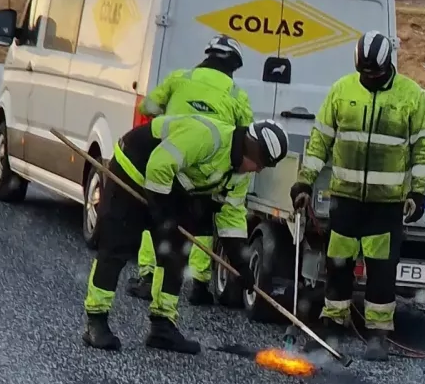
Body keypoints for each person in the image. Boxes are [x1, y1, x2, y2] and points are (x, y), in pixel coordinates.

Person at [82, 115, 288, 354]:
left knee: (175, 253)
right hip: (133, 171)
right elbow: (159, 165)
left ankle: (162, 326)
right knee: (116, 246)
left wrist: (240, 264)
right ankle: (96, 321)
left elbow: (230, 216)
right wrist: (163, 215)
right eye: (260, 164)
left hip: (169, 185)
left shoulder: (240, 174)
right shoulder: (207, 138)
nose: (259, 170)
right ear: (251, 149)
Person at [289, 31, 425, 362]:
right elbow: (320, 141)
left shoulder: (411, 96)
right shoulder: (342, 91)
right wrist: (304, 182)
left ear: (387, 65)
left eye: (375, 73)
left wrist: (418, 192)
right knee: (338, 266)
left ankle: (378, 335)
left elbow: (423, 149)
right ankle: (332, 328)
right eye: (364, 72)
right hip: (345, 199)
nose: (369, 78)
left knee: (381, 271)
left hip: (386, 204)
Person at [127, 35, 255, 305]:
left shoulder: (180, 78)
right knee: (202, 221)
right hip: (209, 167)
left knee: (157, 213)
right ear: (234, 65)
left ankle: (148, 276)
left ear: (207, 55)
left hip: (170, 160)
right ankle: (198, 282)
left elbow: (147, 106)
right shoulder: (237, 95)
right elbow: (246, 135)